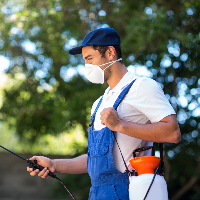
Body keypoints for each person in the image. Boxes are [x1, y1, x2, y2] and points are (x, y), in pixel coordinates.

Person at [27, 27, 181, 199]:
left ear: (110, 52)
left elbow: (173, 133)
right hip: (98, 193)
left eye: (90, 58)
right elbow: (95, 161)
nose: (87, 66)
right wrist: (54, 164)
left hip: (130, 191)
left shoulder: (142, 86)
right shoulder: (98, 104)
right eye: (85, 61)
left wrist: (120, 125)